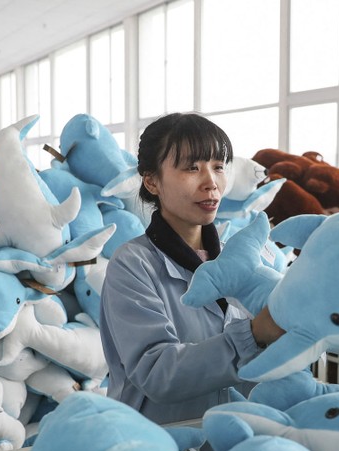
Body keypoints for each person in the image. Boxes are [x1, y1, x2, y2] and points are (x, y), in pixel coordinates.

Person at [99, 113, 285, 425]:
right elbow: (157, 373)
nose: (211, 182)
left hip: (232, 446)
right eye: (192, 168)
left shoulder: (240, 261)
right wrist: (253, 336)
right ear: (152, 180)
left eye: (218, 167)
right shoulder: (132, 265)